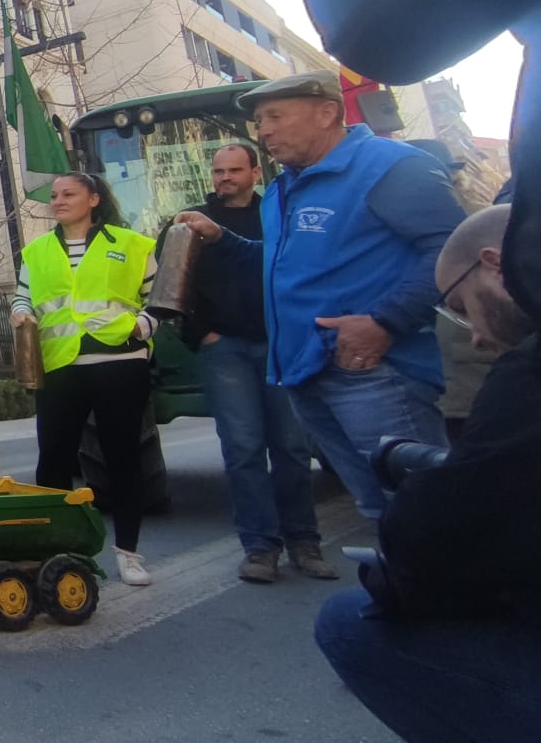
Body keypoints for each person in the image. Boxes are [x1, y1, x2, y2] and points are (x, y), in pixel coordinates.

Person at [176, 71, 462, 519]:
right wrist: (221, 237)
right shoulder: (283, 186)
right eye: (258, 121)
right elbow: (280, 263)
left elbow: (453, 250)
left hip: (374, 374)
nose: (263, 130)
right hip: (305, 372)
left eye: (274, 116)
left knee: (423, 515)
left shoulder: (389, 166)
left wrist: (385, 321)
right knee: (378, 510)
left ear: (328, 112)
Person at [315, 204, 541, 742]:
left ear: (496, 267)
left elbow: (430, 545)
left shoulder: (527, 371)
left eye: (461, 308)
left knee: (349, 622)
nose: (477, 337)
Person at [181, 143, 334, 584]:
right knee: (243, 448)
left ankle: (305, 543)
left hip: (280, 344)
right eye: (218, 170)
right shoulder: (191, 222)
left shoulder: (279, 214)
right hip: (224, 347)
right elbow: (174, 284)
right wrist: (200, 332)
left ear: (253, 172)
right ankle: (260, 548)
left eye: (234, 170)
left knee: (290, 447)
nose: (225, 177)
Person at [12, 172, 158, 587]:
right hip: (60, 367)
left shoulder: (130, 244)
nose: (58, 201)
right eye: (54, 195)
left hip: (119, 363)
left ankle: (129, 553)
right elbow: (25, 293)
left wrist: (141, 328)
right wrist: (20, 311)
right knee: (53, 461)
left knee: (124, 460)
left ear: (93, 199)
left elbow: (159, 296)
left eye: (68, 194)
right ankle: (59, 552)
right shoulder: (36, 250)